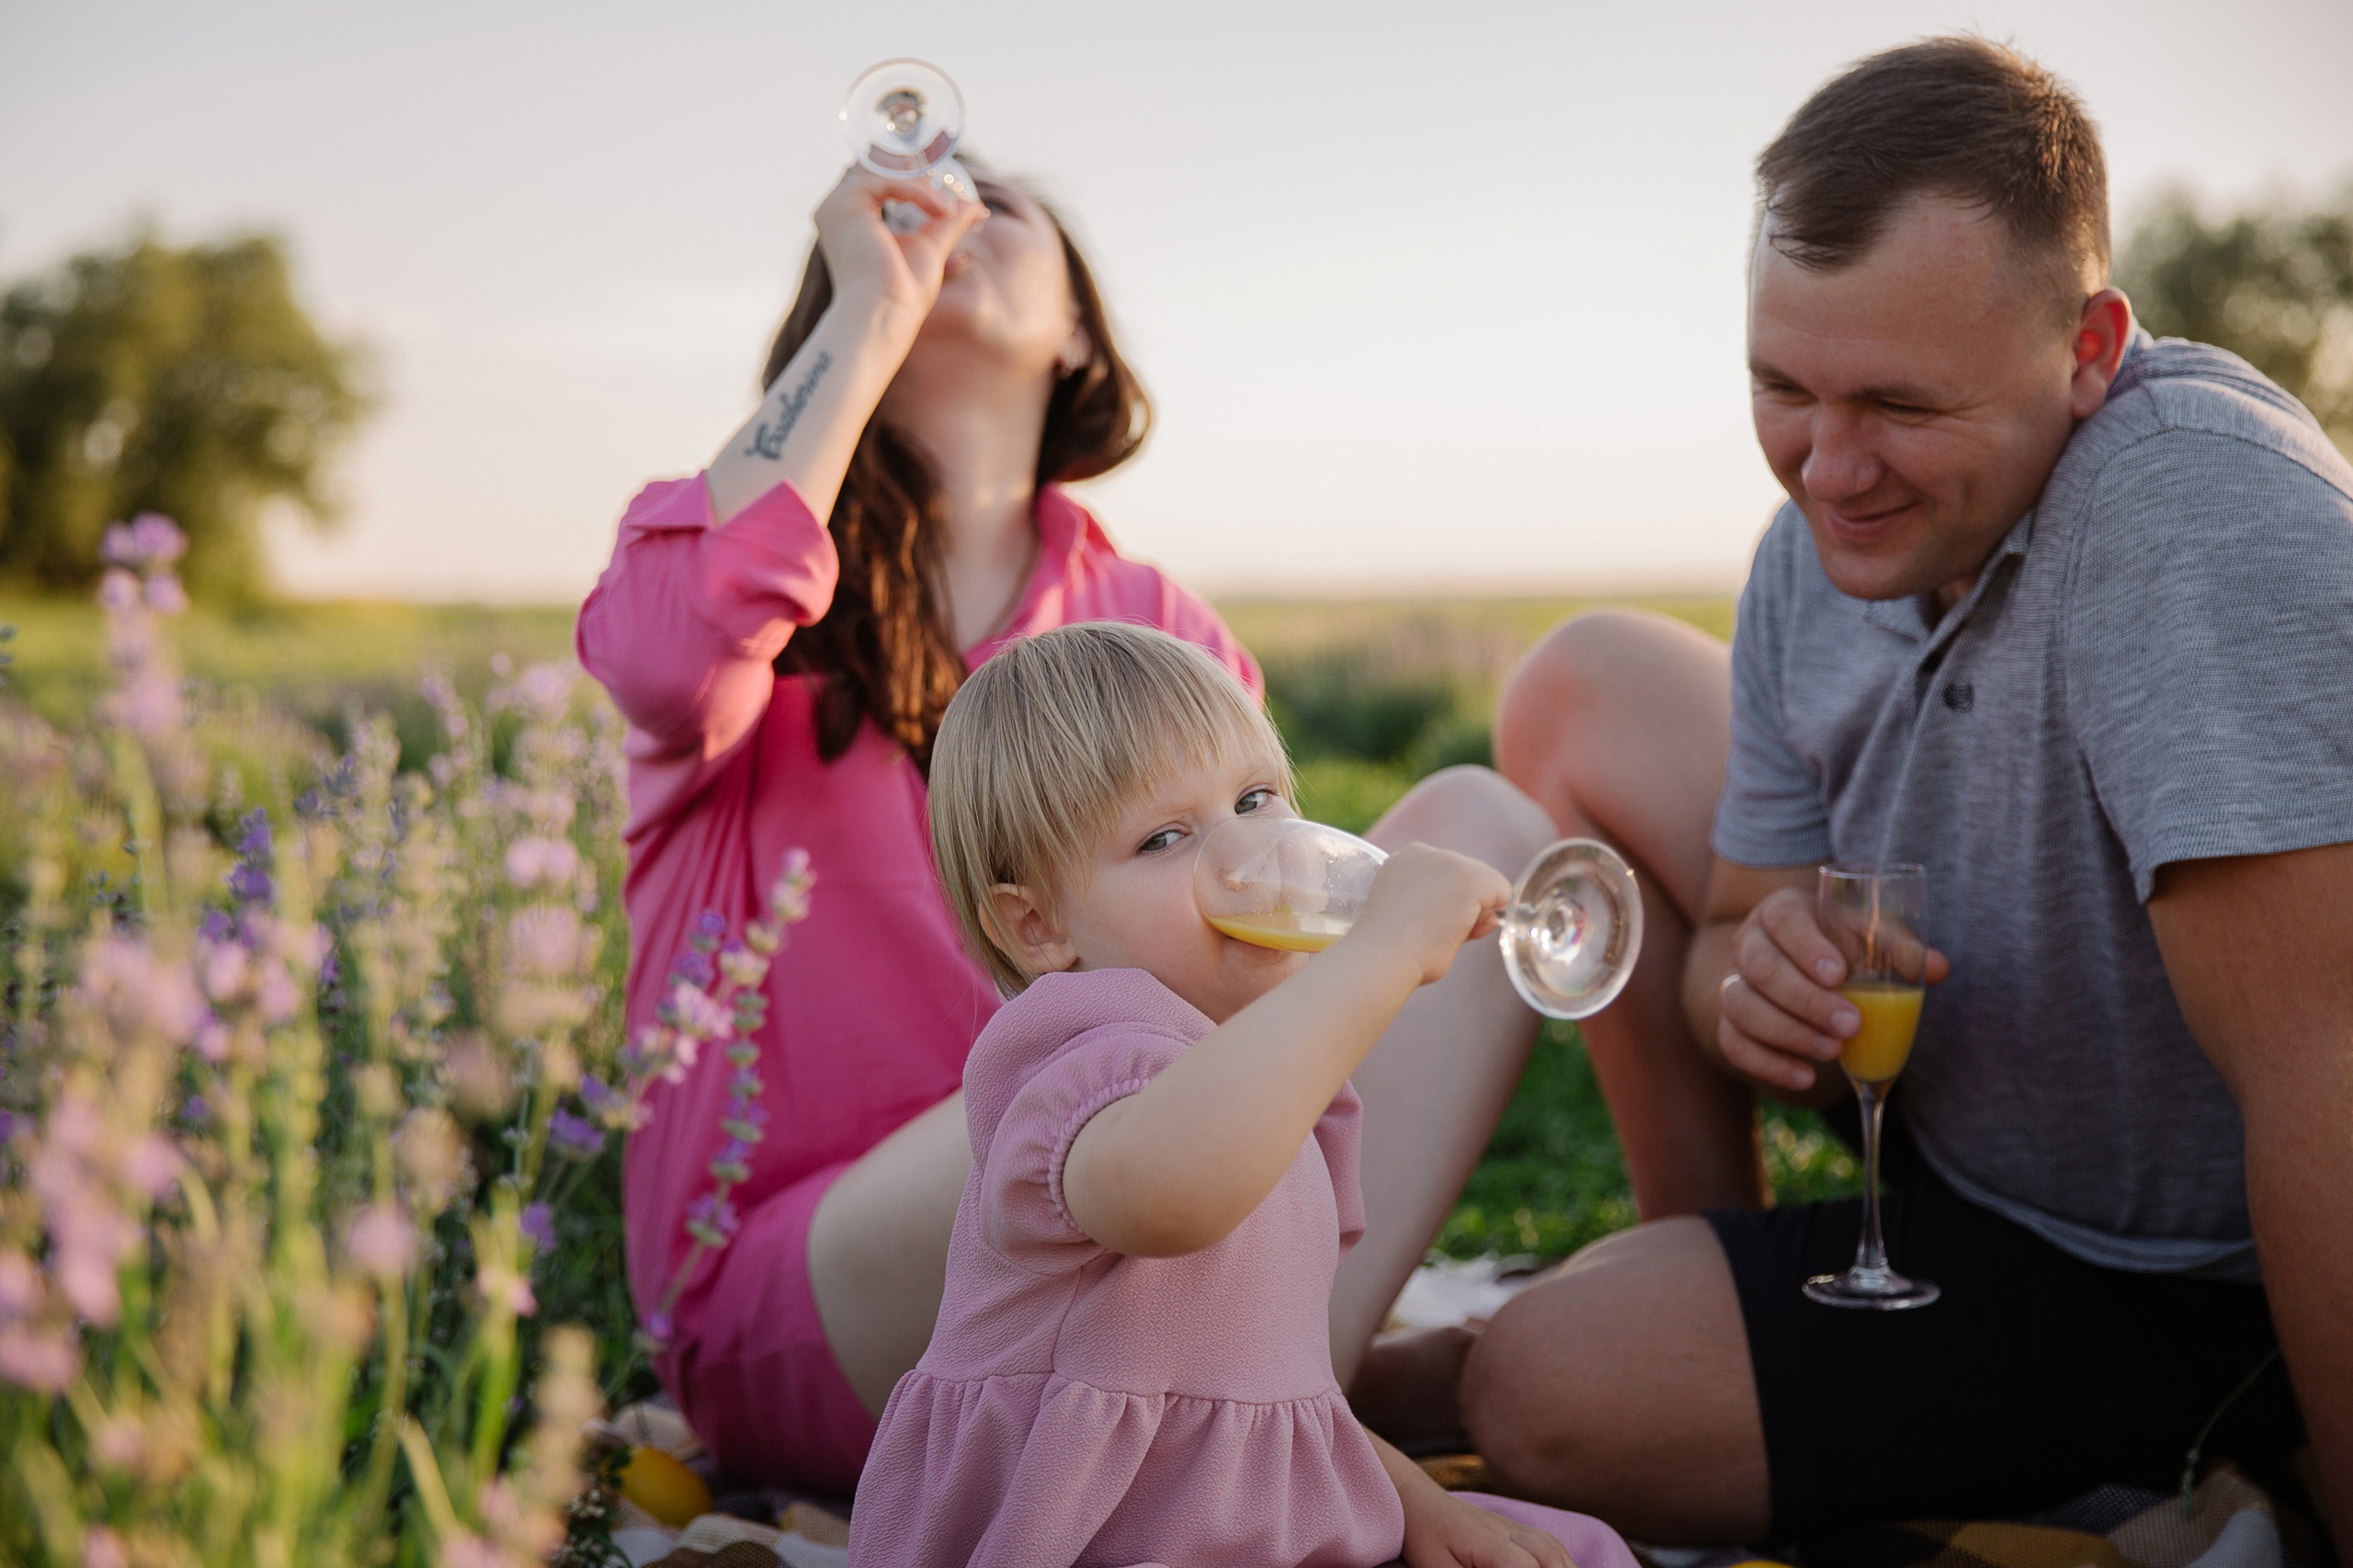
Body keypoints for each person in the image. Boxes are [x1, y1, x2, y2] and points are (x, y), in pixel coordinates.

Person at [1438, 36, 2352, 1548]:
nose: (1829, 467)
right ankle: (1739, 1278)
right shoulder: (1808, 551)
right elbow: (1732, 926)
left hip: (2196, 1278)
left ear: (2091, 348)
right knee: (1581, 678)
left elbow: (2327, 1072)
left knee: (1544, 1389)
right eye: (1782, 386)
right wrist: (1757, 978)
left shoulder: (2193, 508)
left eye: (1899, 405)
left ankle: (2232, 1462)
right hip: (1947, 1189)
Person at [575, 161, 1555, 1491]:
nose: (950, 212)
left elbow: (1242, 965)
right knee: (1064, 1086)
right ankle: (1294, 1422)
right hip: (816, 1300)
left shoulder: (1154, 627)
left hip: (1131, 1196)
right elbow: (657, 646)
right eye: (921, 216)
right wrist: (870, 300)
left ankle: (1275, 1404)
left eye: (996, 207)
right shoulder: (762, 627)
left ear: (1079, 330)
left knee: (1474, 819)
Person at [848, 622, 1631, 1568]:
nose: (1250, 855)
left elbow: (1271, 1382)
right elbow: (1170, 1191)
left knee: (1572, 1547)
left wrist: (1423, 1505)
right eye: (1166, 837)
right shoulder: (1087, 1053)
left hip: (1232, 1511)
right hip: (1083, 1530)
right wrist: (1378, 953)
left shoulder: (1256, 1058)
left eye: (1256, 798)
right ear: (1038, 924)